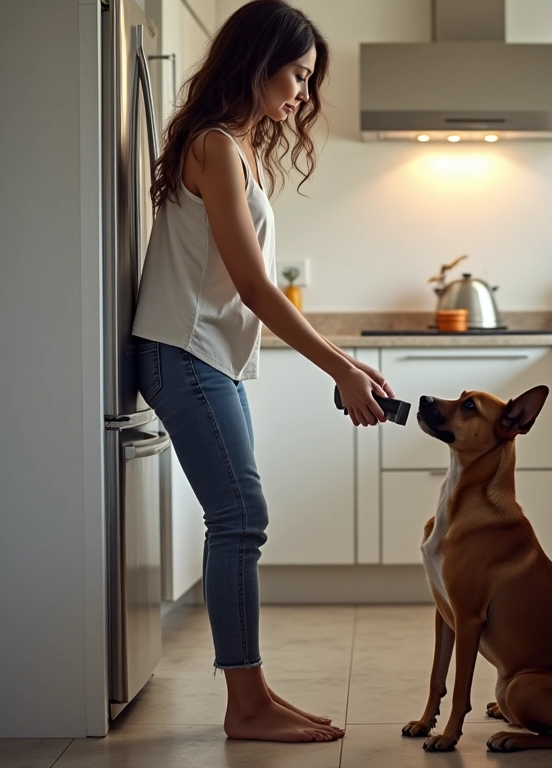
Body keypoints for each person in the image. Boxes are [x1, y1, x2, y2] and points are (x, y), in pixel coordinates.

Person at [131, 0, 394, 744]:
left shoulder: (237, 149)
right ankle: (246, 707)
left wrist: (345, 365)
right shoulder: (216, 147)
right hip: (183, 352)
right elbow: (252, 287)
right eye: (298, 75)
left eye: (309, 80)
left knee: (242, 518)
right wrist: (340, 367)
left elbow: (248, 286)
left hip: (208, 357)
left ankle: (254, 693)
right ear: (258, 64)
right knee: (240, 518)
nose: (304, 94)